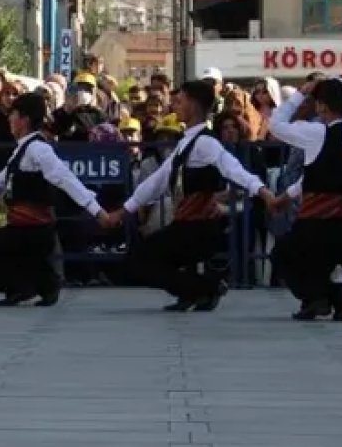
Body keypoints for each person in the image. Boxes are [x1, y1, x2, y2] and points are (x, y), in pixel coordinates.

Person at [114, 80, 277, 312]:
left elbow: (234, 169)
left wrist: (264, 192)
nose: (174, 106)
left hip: (200, 227)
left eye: (179, 101)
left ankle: (206, 287)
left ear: (193, 104)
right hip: (186, 224)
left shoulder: (206, 143)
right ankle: (195, 292)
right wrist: (123, 211)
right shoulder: (186, 142)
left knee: (139, 261)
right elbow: (158, 180)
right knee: (142, 258)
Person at [0, 92, 117, 306]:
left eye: (13, 114)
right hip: (21, 227)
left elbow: (66, 179)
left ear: (24, 120)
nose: (9, 119)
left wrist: (98, 212)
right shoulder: (22, 149)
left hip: (34, 231)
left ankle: (39, 284)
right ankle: (25, 285)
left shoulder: (37, 149)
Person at [268, 78, 342, 321]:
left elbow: (276, 125)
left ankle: (316, 299)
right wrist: (288, 195)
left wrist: (299, 94)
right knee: (325, 264)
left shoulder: (317, 132)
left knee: (283, 255)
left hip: (316, 219)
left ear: (322, 105)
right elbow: (317, 172)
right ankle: (339, 298)